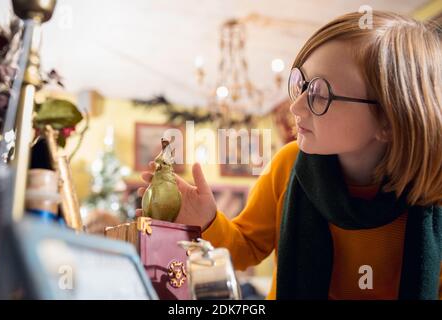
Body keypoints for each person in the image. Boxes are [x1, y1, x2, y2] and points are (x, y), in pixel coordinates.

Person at [137, 11, 442, 300]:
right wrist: (205, 221)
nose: (295, 107)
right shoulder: (288, 164)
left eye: (321, 94)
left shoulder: (432, 194)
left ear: (389, 119)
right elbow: (246, 248)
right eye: (301, 84)